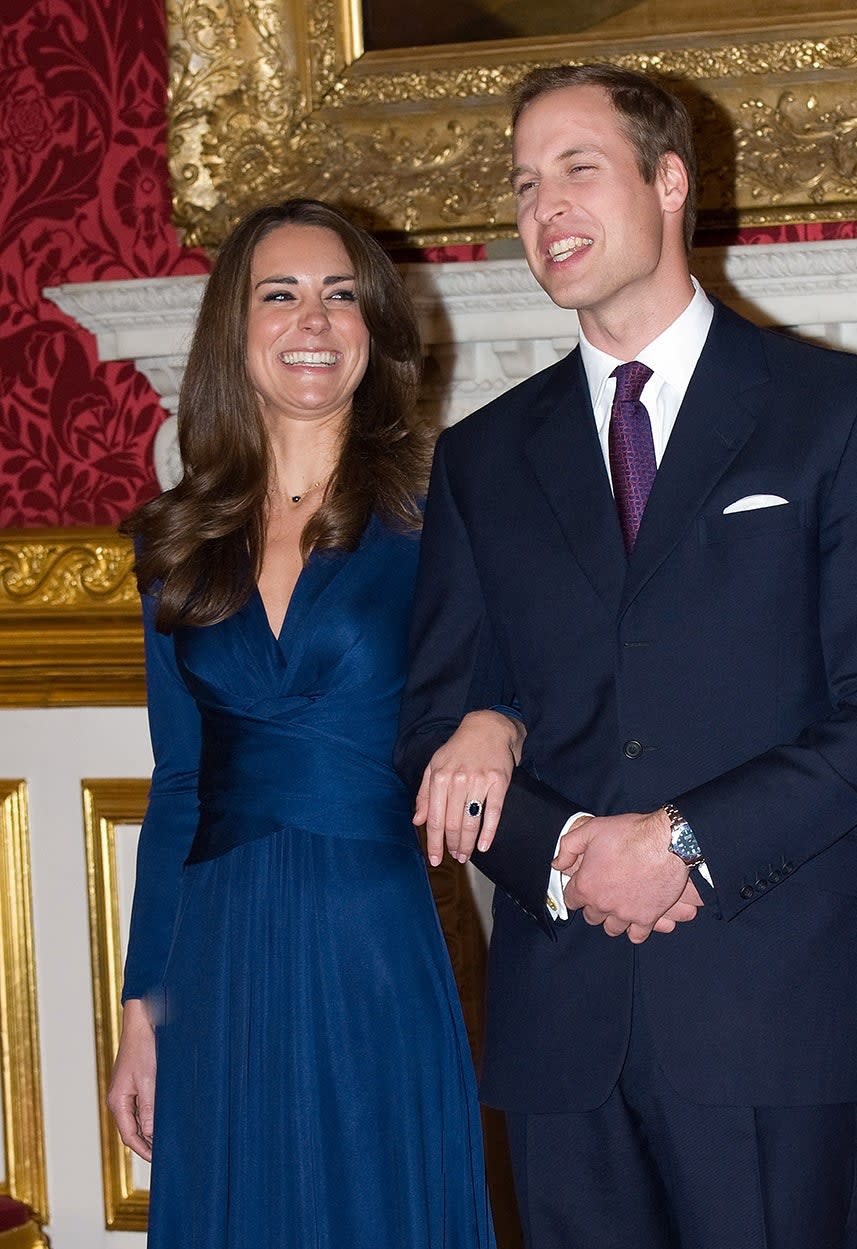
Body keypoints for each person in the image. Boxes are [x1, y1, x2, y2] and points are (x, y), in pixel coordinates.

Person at [395, 64, 857, 1249]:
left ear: (669, 180)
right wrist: (569, 853)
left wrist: (682, 846)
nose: (543, 207)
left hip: (773, 1010)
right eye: (523, 183)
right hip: (561, 1025)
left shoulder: (839, 411)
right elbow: (430, 732)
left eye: (576, 168)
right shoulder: (482, 460)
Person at [107, 198, 499, 1249]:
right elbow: (179, 781)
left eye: (339, 296)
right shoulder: (175, 540)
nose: (312, 321)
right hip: (218, 949)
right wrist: (145, 1000)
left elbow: (520, 678)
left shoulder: (439, 514)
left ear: (374, 327)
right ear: (235, 333)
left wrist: (496, 721)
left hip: (371, 928)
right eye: (279, 295)